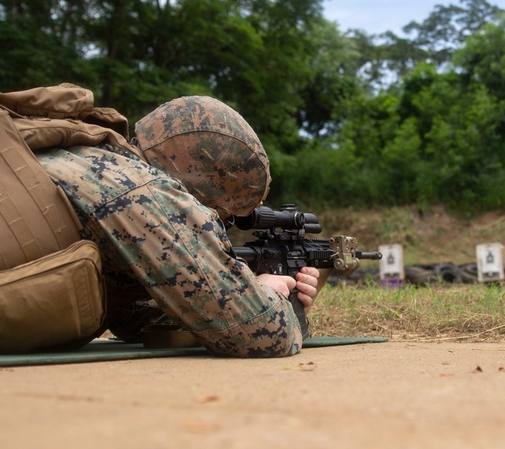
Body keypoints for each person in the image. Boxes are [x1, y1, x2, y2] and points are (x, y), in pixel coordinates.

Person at [34, 95, 320, 357]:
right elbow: (264, 333)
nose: (224, 228)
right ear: (198, 196)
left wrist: (234, 289)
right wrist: (266, 293)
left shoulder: (89, 157)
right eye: (226, 219)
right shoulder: (148, 193)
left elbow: (130, 316)